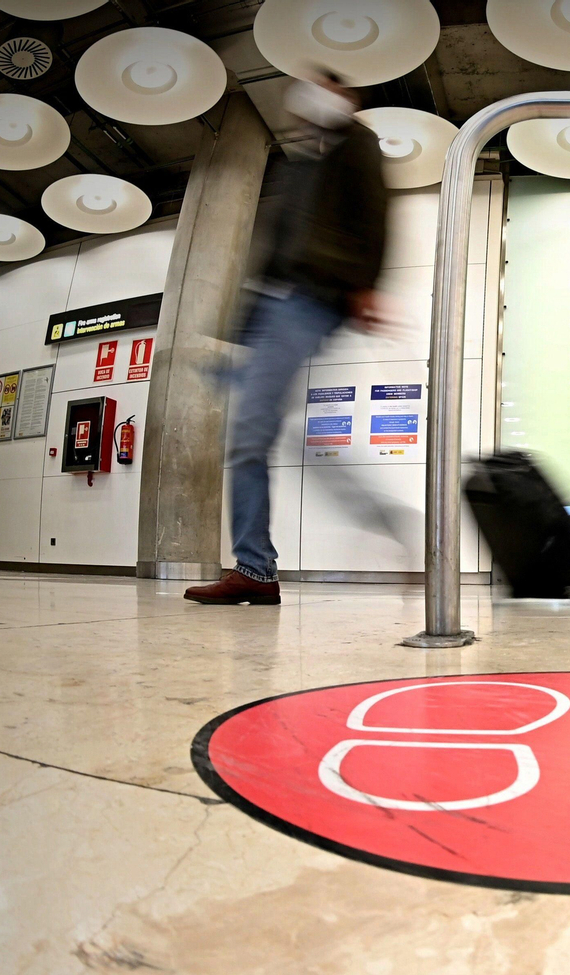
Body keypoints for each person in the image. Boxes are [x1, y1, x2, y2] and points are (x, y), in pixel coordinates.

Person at [186, 70, 389, 606]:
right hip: (275, 306)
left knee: (251, 436)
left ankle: (256, 570)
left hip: (308, 301)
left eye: (319, 87)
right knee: (262, 426)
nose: (303, 100)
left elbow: (375, 215)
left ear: (345, 96)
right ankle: (269, 559)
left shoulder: (356, 146)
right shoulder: (305, 161)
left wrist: (365, 286)